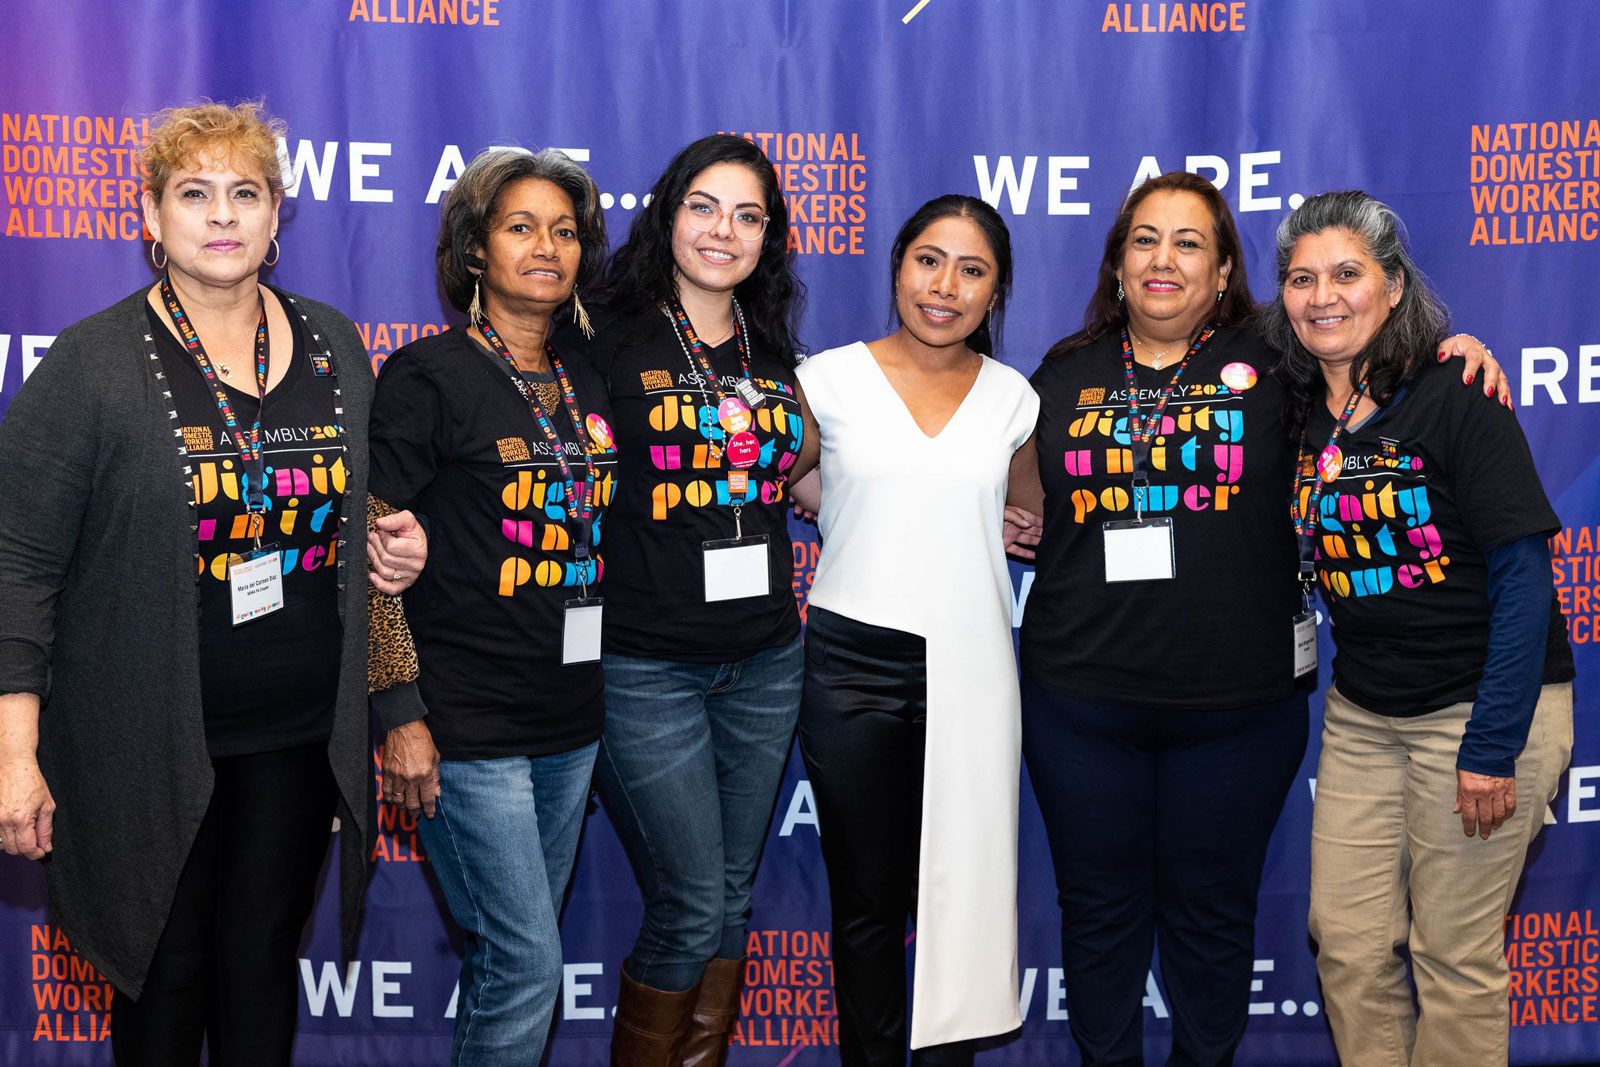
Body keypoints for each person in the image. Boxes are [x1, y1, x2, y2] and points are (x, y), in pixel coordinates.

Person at [1007, 170, 1504, 1067]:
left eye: (1189, 241)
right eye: (1144, 239)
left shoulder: (1282, 367)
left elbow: (1384, 378)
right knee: (1099, 911)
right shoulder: (1062, 371)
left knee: (1212, 914)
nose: (1164, 259)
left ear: (1226, 266)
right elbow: (1018, 490)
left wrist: (1454, 346)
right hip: (1079, 704)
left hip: (1235, 709)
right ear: (1117, 263)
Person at [0, 100, 425, 1066]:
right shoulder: (92, 362)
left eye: (246, 193)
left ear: (278, 217)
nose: (223, 214)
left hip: (295, 732)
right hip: (141, 739)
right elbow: (16, 567)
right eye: (194, 193)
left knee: (262, 970)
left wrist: (399, 569)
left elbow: (362, 531)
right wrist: (13, 753)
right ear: (150, 217)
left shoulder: (334, 343)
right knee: (165, 976)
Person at [1259, 190, 1573, 1067]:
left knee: (1454, 956)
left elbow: (1523, 580)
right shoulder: (1290, 403)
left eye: (1348, 274)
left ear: (1393, 287)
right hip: (1365, 716)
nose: (1324, 296)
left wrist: (1491, 745)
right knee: (1349, 945)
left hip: (1483, 708)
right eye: (1301, 278)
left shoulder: (1456, 392)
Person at [365, 147, 615, 1066]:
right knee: (524, 961)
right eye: (520, 227)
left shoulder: (585, 378)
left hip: (572, 719)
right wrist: (400, 714)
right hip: (467, 721)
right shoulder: (427, 375)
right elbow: (369, 545)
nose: (546, 246)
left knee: (510, 960)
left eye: (564, 230)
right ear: (476, 250)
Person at [794, 195, 1038, 1066]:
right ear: (897, 266)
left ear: (996, 290)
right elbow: (780, 482)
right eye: (929, 260)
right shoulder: (824, 379)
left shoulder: (1016, 399)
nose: (946, 286)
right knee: (865, 901)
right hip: (851, 657)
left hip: (973, 665)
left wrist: (1022, 524)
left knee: (962, 898)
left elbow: (1032, 515)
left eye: (972, 270)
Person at [579, 133, 805, 1066]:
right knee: (689, 901)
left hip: (765, 654)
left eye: (748, 215)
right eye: (705, 206)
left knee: (731, 894)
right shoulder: (600, 330)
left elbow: (798, 466)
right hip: (644, 662)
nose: (725, 230)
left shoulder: (770, 342)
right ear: (670, 211)